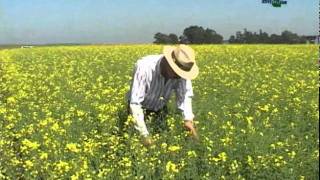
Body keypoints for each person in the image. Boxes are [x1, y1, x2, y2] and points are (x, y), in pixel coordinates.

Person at [127, 44, 199, 146]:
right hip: (138, 111)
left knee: (162, 138)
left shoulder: (181, 73)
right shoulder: (144, 67)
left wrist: (188, 119)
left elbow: (185, 95)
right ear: (168, 62)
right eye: (176, 72)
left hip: (159, 109)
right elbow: (135, 104)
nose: (178, 76)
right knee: (135, 142)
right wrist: (144, 135)